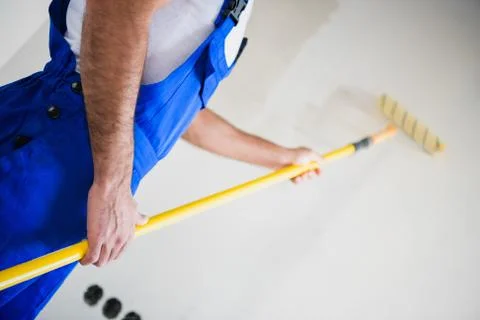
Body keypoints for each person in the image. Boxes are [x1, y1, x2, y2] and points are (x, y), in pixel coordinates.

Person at [0, 0, 321, 318]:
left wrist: (282, 158)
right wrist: (113, 186)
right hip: (46, 156)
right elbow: (115, 8)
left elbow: (171, 118)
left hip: (73, 185)